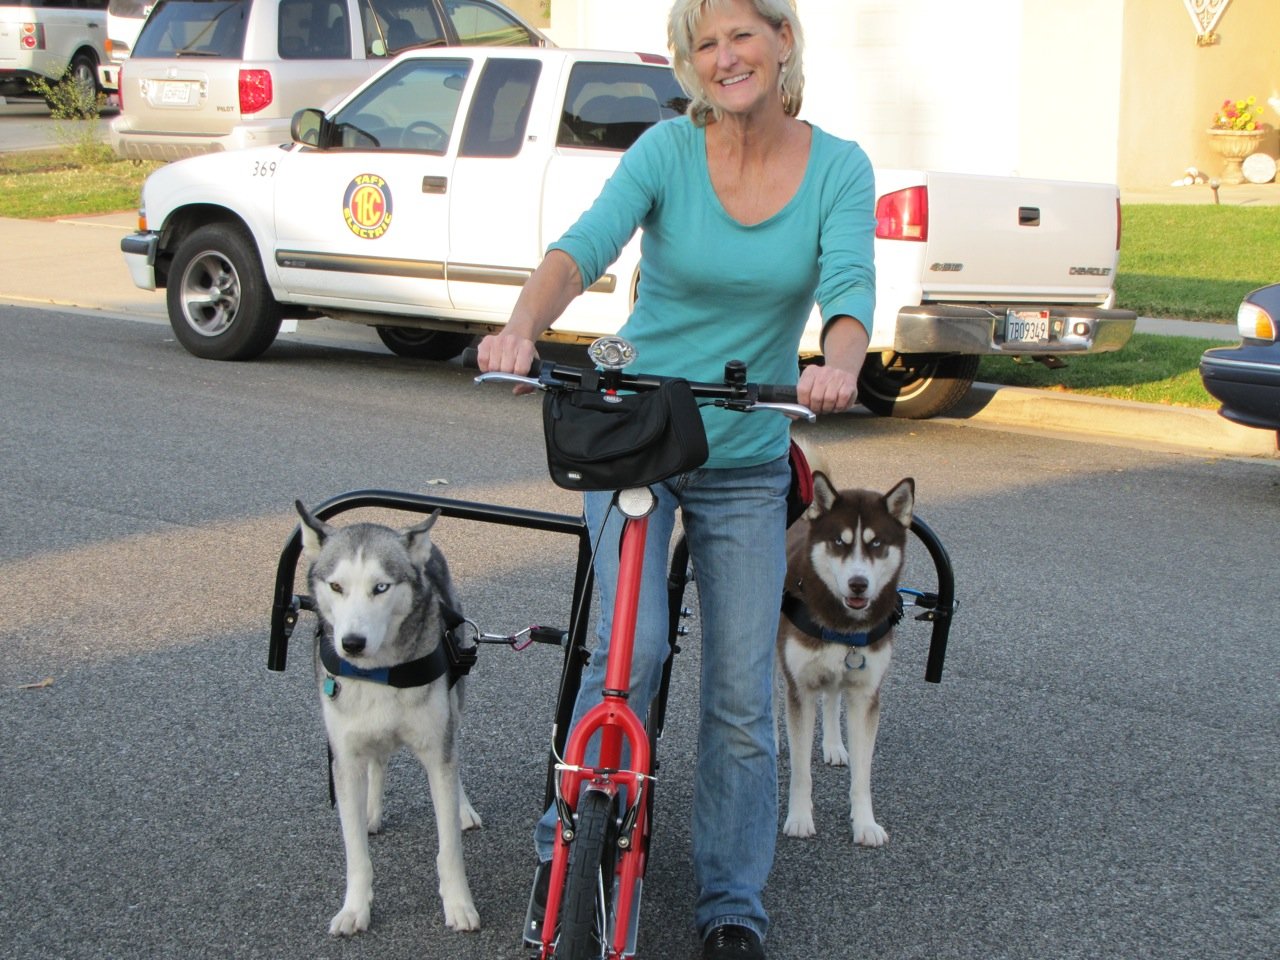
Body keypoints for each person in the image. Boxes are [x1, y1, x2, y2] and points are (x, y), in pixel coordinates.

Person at [477, 1, 875, 957]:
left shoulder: (839, 167)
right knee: (634, 650)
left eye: (742, 34)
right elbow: (584, 245)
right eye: (706, 43)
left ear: (783, 41)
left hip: (743, 458)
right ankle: (562, 851)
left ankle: (731, 904)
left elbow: (850, 288)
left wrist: (841, 363)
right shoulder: (664, 152)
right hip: (641, 438)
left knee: (741, 694)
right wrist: (523, 324)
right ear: (689, 66)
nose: (726, 56)